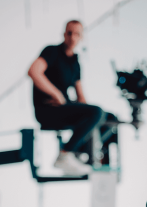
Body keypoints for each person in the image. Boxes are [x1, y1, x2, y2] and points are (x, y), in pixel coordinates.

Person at [28, 20, 106, 175]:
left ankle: (79, 153)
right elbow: (34, 71)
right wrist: (55, 93)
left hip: (64, 107)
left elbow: (81, 96)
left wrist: (89, 116)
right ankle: (65, 154)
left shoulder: (75, 63)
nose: (72, 37)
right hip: (47, 110)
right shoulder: (52, 52)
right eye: (69, 33)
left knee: (104, 116)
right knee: (96, 112)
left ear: (81, 37)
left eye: (76, 34)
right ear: (64, 34)